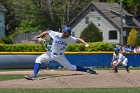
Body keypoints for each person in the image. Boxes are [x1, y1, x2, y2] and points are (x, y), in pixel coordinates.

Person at [24, 26, 96, 80]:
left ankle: (87, 70)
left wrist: (85, 43)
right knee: (38, 59)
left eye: (68, 33)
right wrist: (39, 36)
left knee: (71, 68)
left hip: (60, 56)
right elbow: (47, 32)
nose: (66, 34)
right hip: (50, 54)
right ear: (64, 32)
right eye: (65, 32)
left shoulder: (70, 38)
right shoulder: (56, 34)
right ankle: (34, 75)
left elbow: (78, 39)